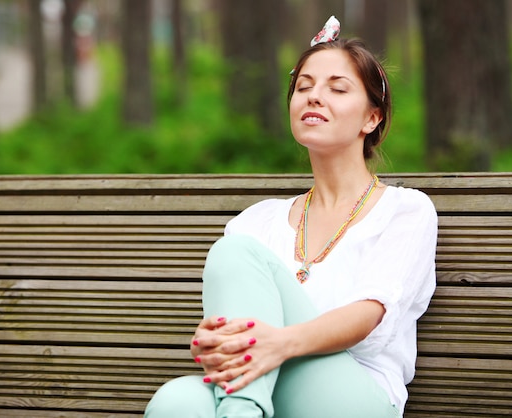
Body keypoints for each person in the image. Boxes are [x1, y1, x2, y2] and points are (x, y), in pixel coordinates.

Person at [145, 16, 437, 418]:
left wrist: (279, 343)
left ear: (372, 118)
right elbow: (236, 330)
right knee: (175, 402)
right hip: (270, 388)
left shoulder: (405, 210)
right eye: (304, 87)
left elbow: (370, 314)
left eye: (337, 88)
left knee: (235, 254)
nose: (314, 96)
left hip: (354, 398)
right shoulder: (256, 223)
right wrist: (214, 342)